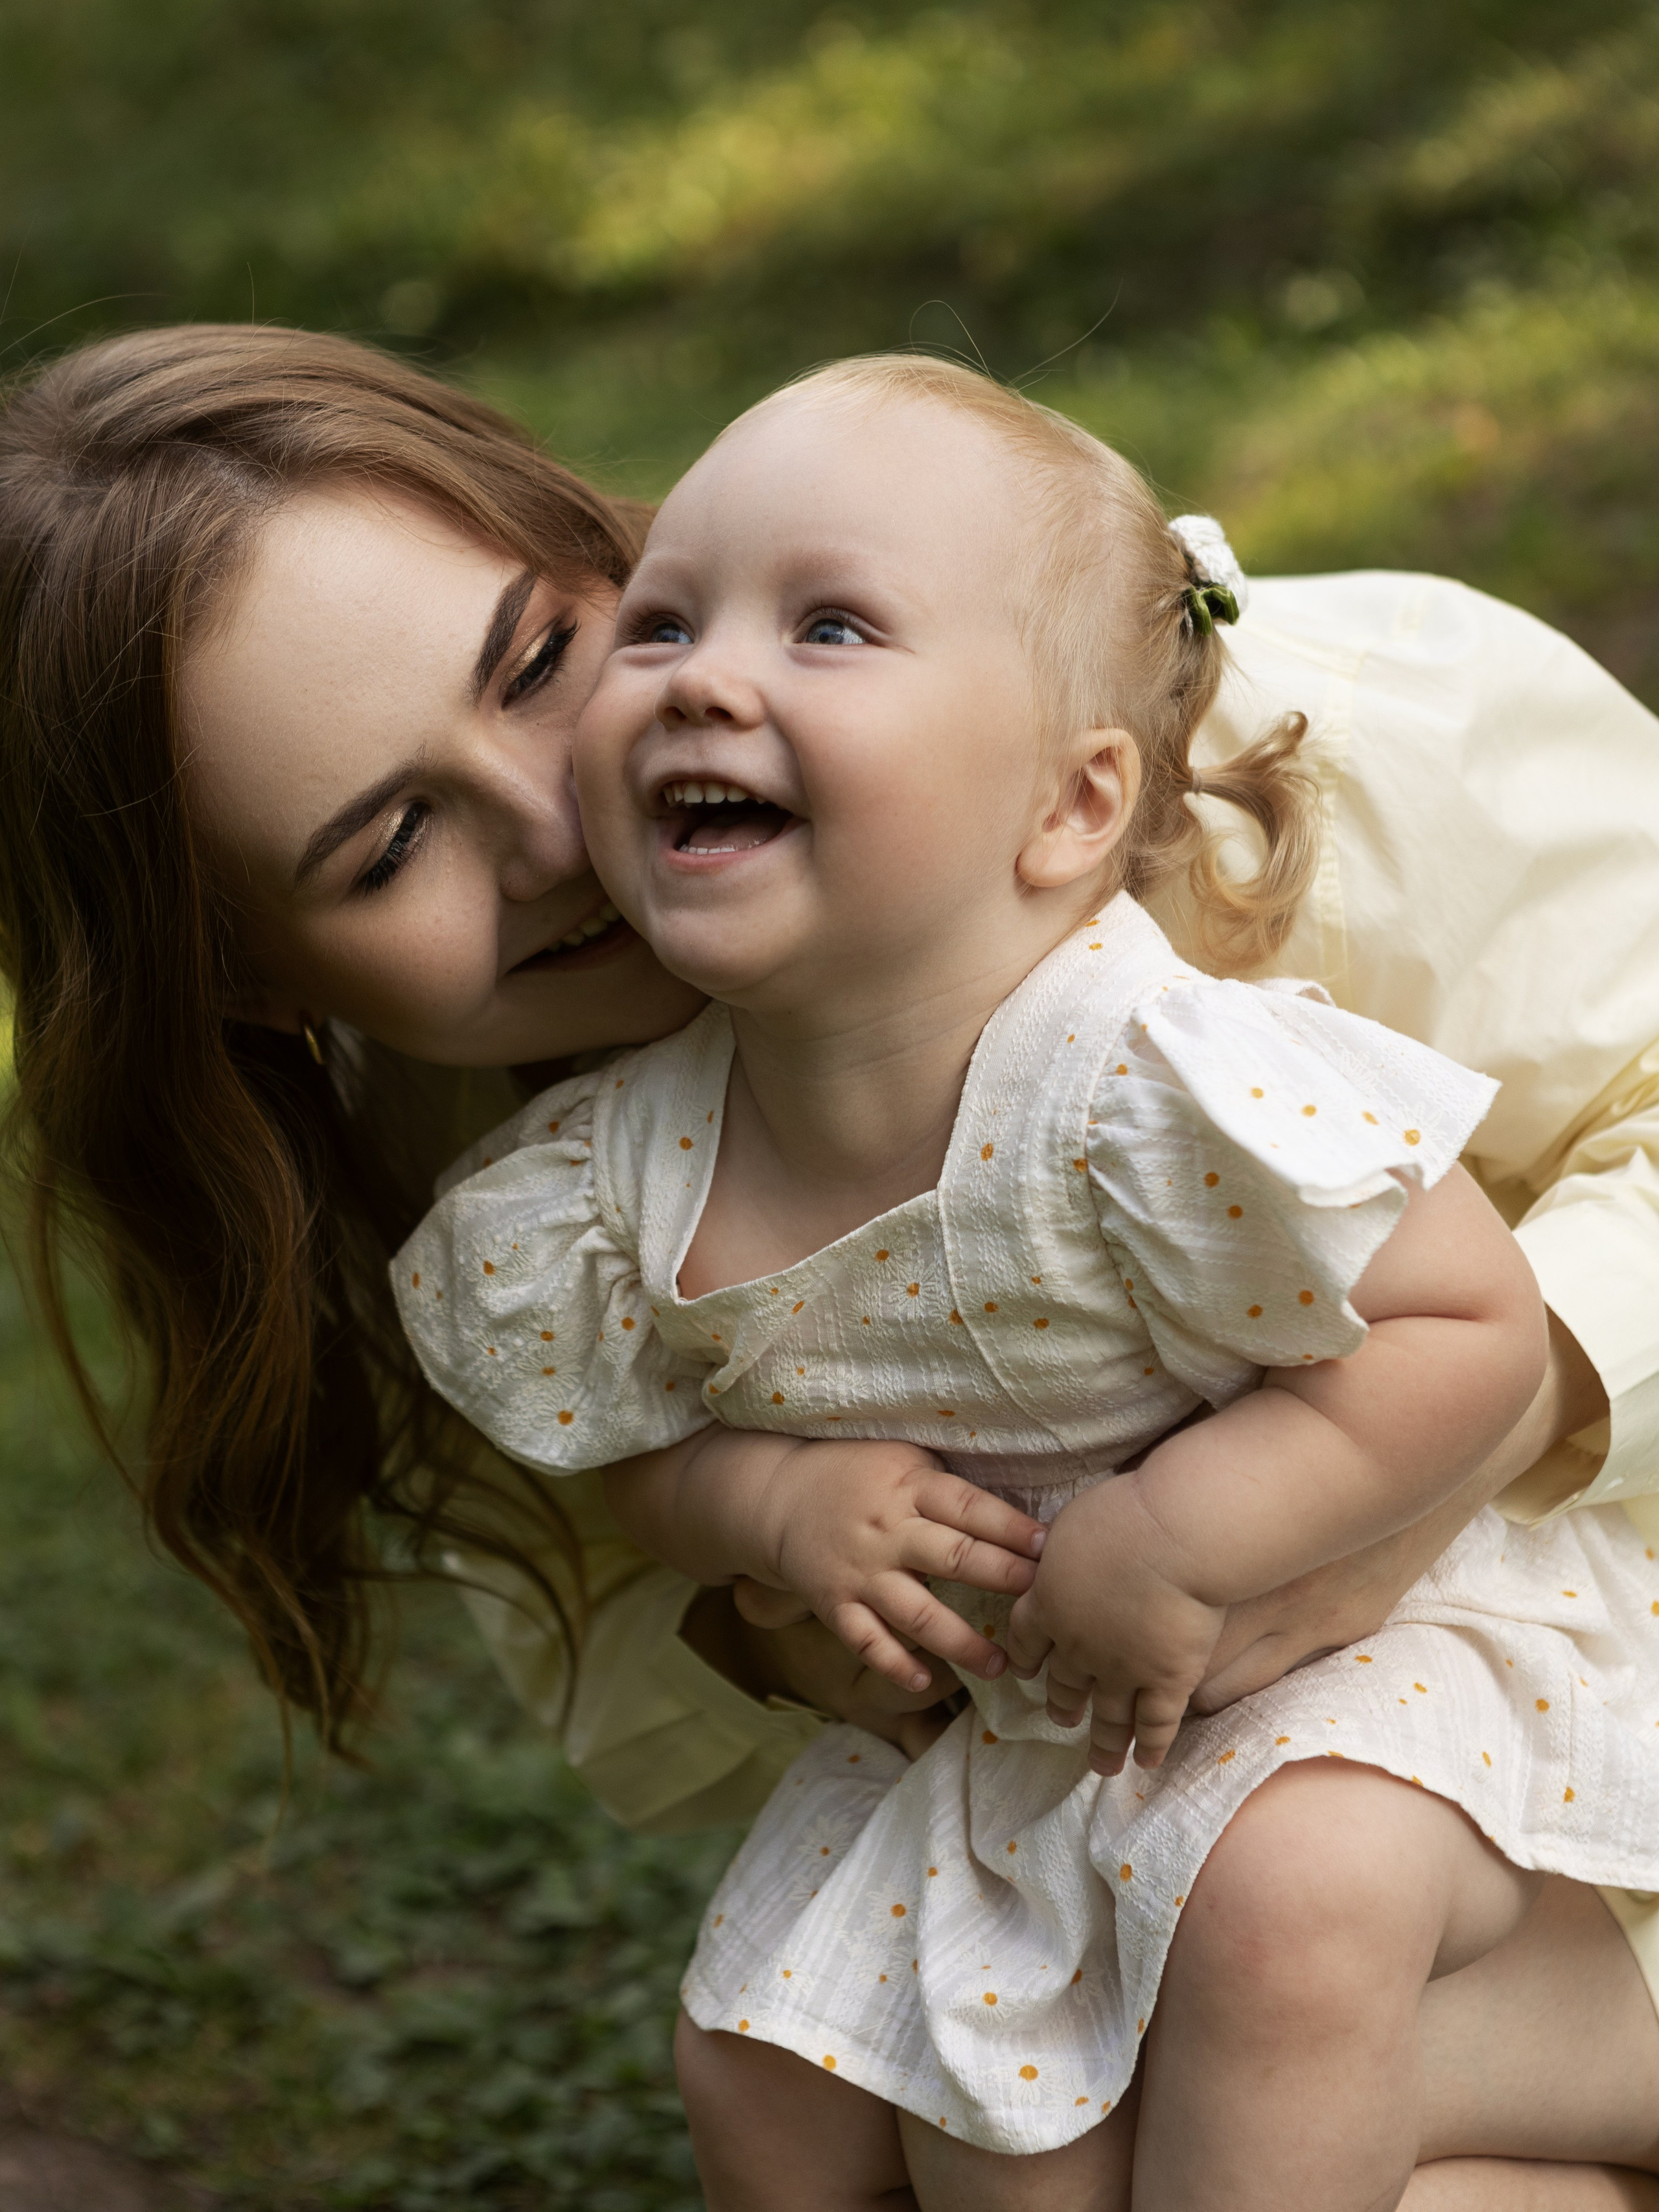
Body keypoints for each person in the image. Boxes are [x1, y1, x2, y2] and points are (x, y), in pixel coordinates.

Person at [0, 324, 1653, 2207]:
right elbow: (648, 1616)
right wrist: (781, 1571)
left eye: (544, 661)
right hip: (1117, 1792)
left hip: (1556, 1723)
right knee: (982, 2137)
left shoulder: (1275, 771)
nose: (554, 832)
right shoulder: (520, 1199)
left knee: (1241, 2001)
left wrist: (1420, 1449)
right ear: (258, 991)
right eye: (391, 846)